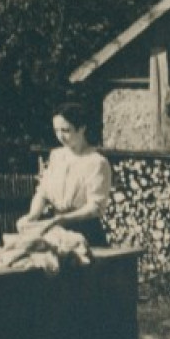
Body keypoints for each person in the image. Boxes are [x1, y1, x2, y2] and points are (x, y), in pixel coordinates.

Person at [21, 101, 114, 246]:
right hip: (56, 231)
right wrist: (32, 216)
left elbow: (95, 208)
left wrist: (63, 219)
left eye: (66, 130)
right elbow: (42, 193)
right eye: (56, 130)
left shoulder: (97, 163)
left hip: (86, 233)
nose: (60, 136)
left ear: (82, 128)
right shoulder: (56, 156)